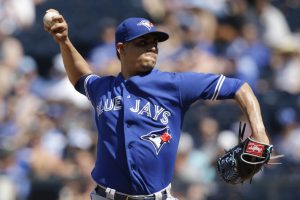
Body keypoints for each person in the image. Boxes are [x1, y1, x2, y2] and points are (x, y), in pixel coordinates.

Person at [44, 9, 270, 200]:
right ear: (121, 49)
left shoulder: (175, 84)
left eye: (154, 44)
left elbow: (240, 88)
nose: (151, 48)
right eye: (142, 43)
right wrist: (64, 41)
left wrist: (259, 132)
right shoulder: (103, 88)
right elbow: (81, 77)